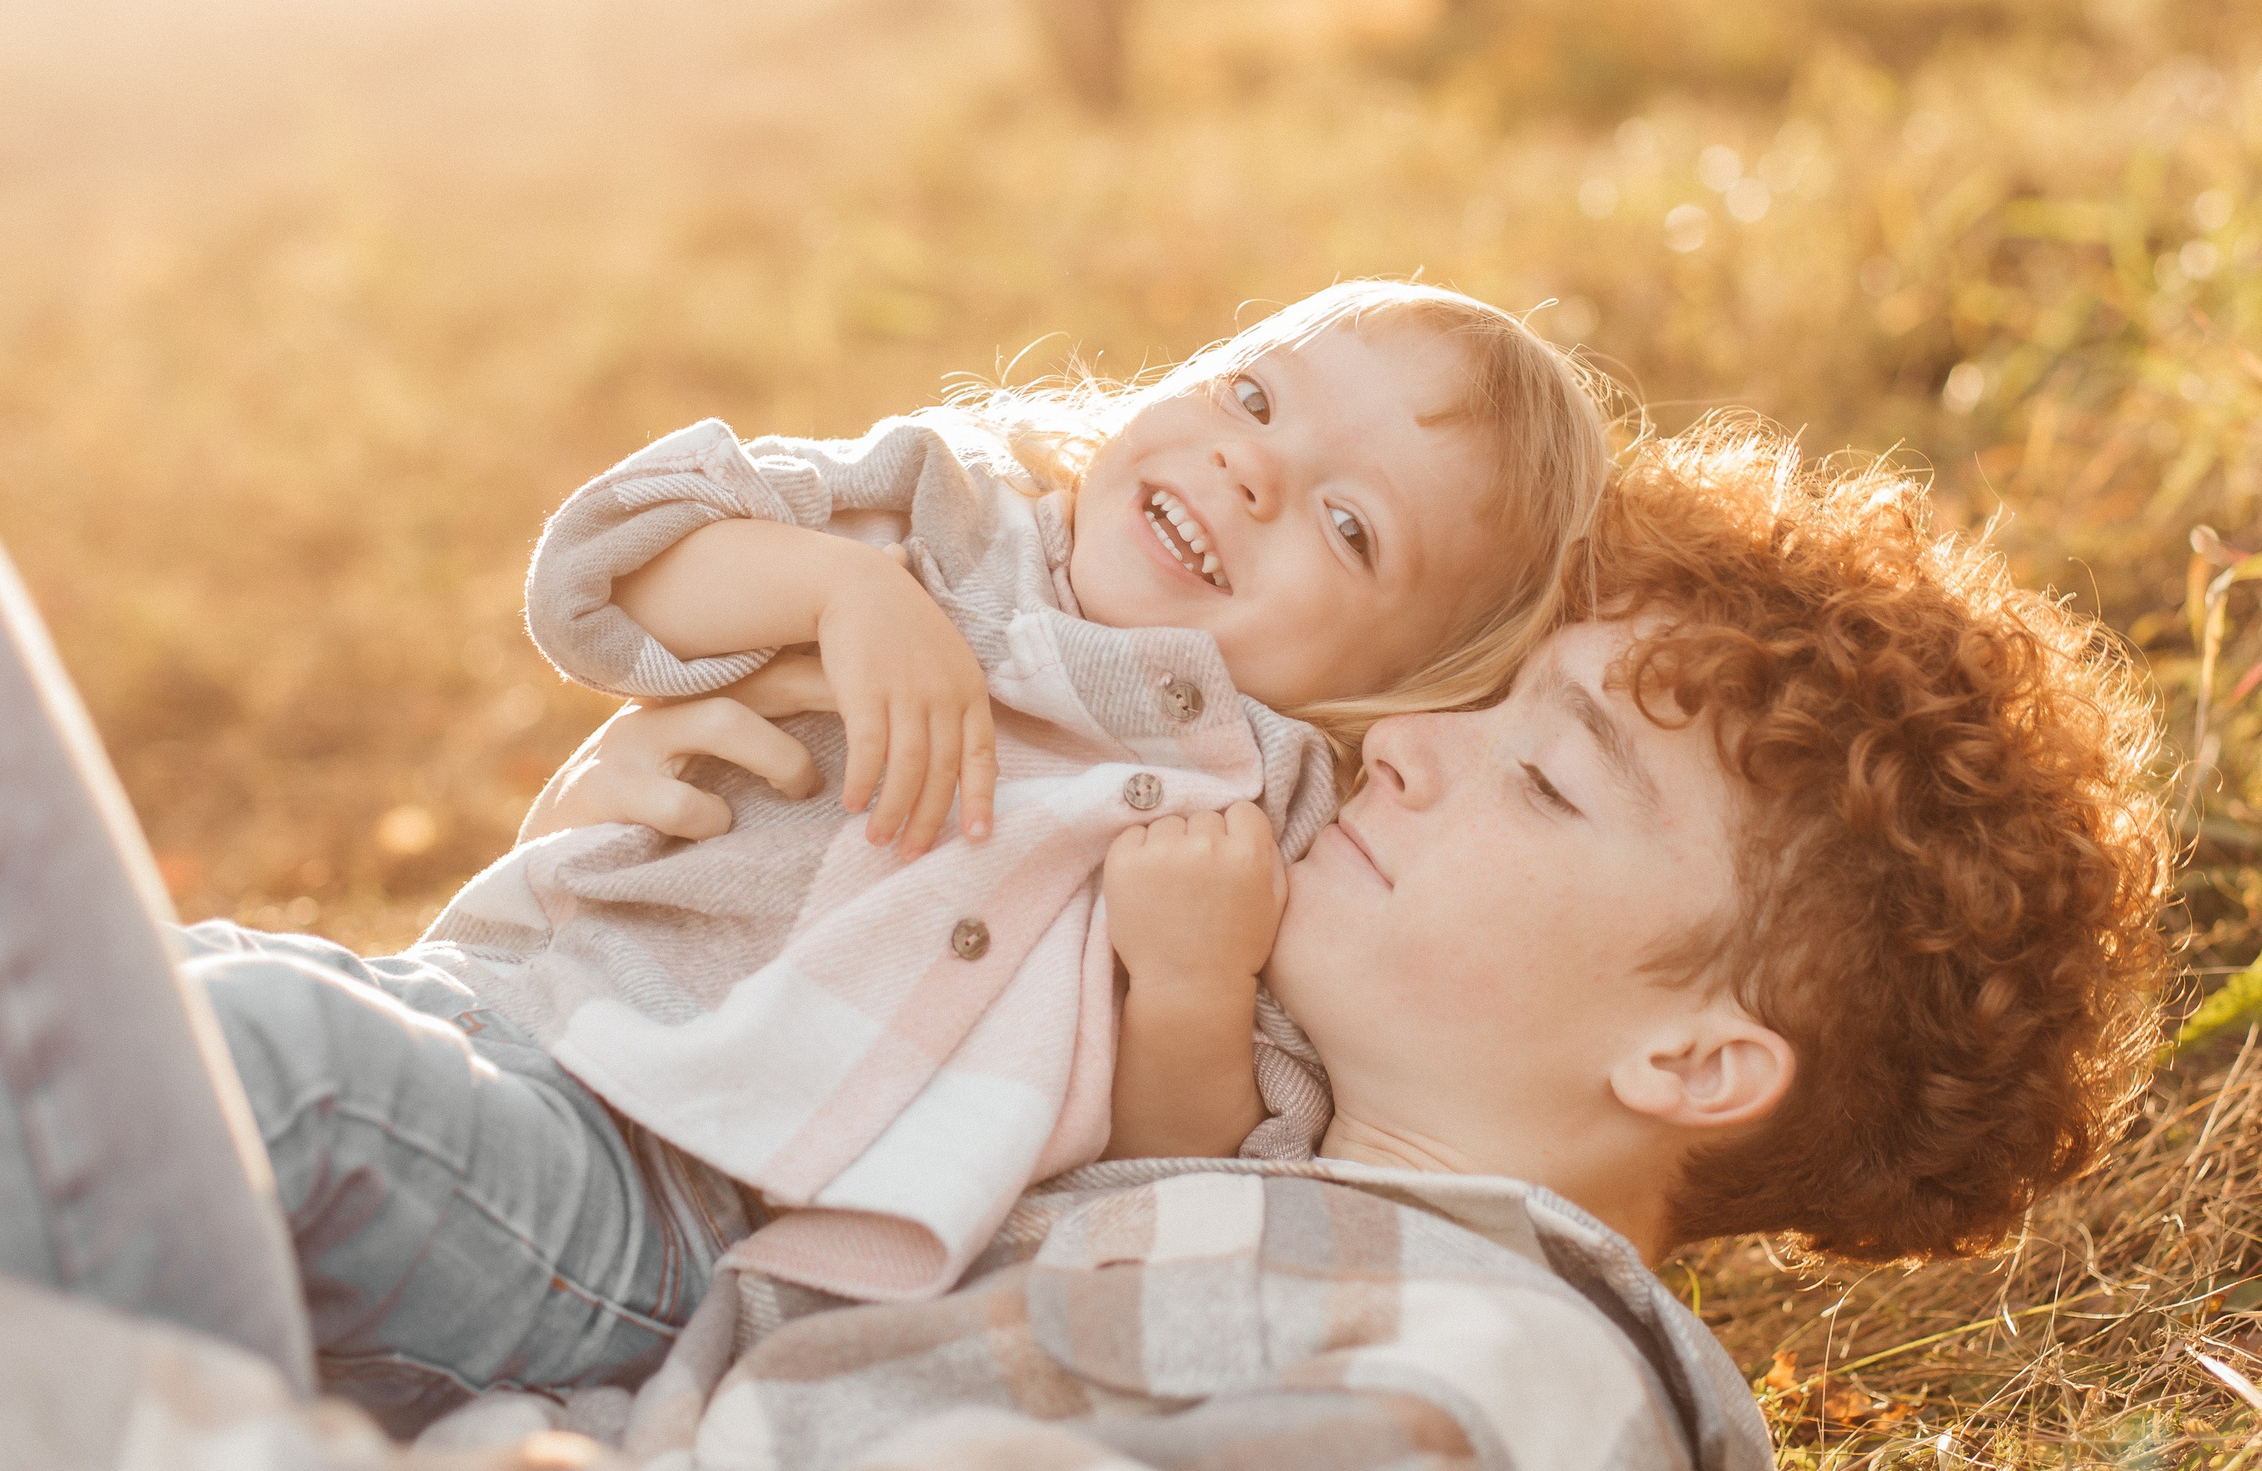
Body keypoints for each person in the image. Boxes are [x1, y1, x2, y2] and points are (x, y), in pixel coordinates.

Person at [0, 419, 2171, 1468]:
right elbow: (587, 1230)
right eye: (1468, 707)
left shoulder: (1502, 1373)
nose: (1405, 757)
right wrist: (633, 896)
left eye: (1544, 777)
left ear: (1698, 1056)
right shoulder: (1151, 1105)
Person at [174, 280, 1616, 1431]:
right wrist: (839, 586)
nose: (1252, 471)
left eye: (1348, 525)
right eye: (1253, 396)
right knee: (150, 992)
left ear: (1397, 680)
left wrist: (1190, 978)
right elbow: (605, 562)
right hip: (483, 1007)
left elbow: (1172, 1183)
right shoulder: (942, 513)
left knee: (261, 1068)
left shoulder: (1259, 828)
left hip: (667, 1204)